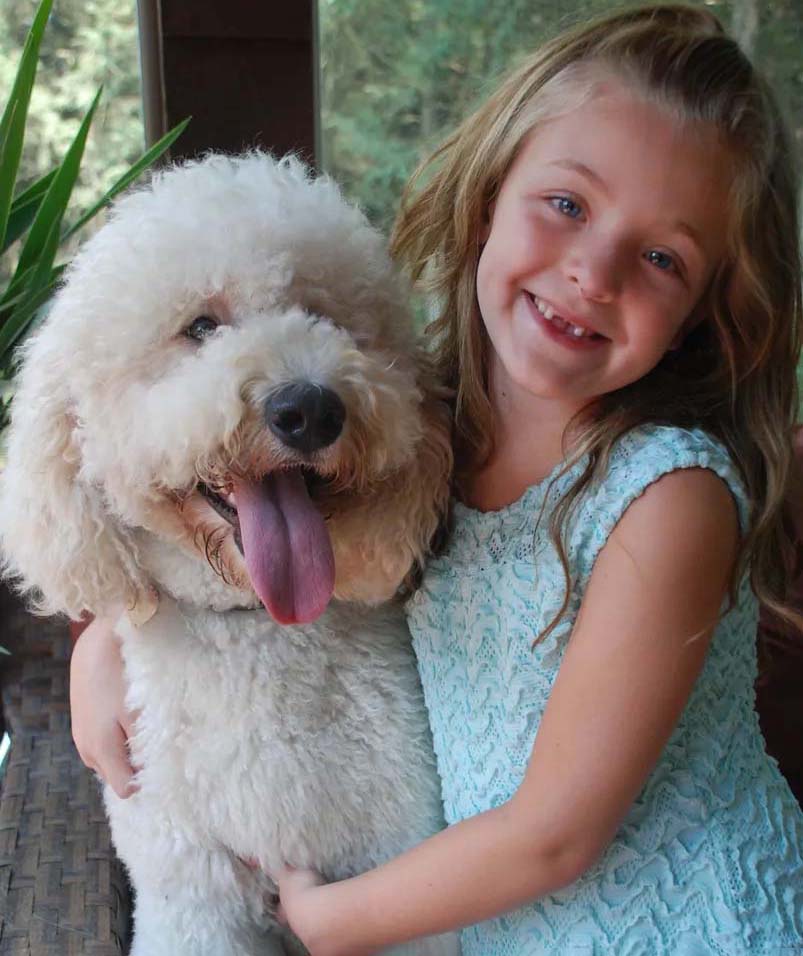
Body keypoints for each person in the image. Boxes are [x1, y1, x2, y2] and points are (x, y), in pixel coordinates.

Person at [69, 5, 803, 954]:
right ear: (488, 195)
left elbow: (553, 837)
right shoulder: (415, 431)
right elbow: (222, 552)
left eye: (662, 258)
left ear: (702, 311)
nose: (593, 273)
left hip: (687, 932)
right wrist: (109, 636)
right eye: (567, 205)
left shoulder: (667, 499)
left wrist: (329, 921)